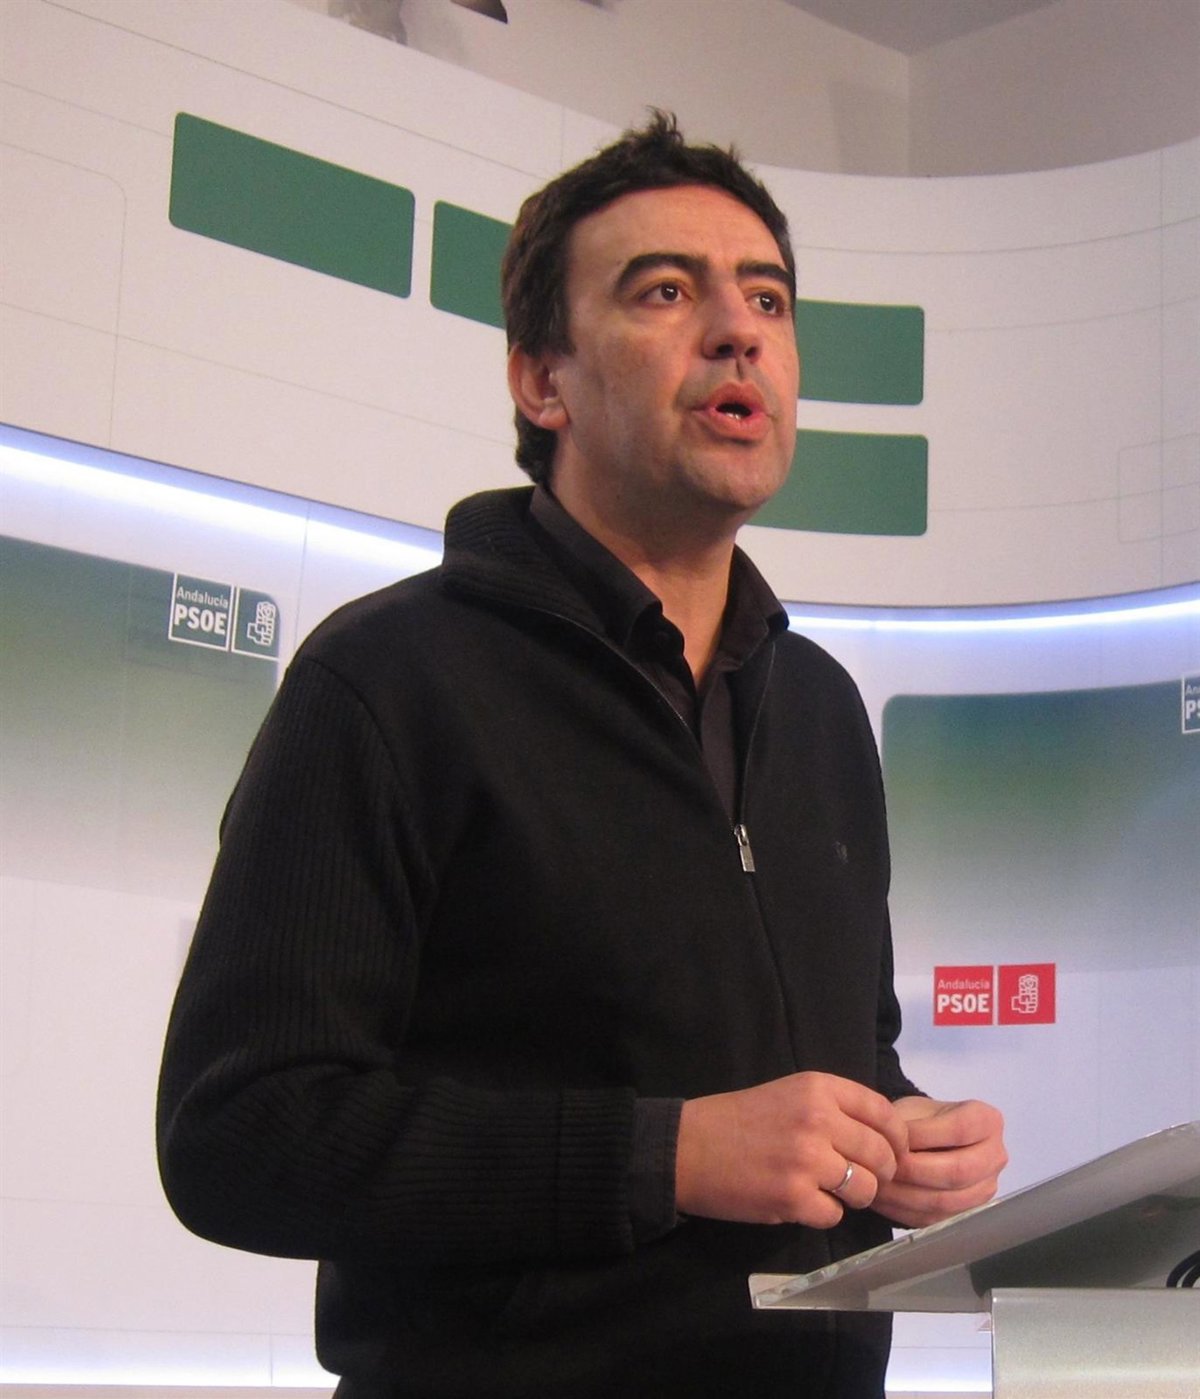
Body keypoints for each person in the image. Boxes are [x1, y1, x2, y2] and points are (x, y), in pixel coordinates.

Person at [157, 112, 1006, 1398]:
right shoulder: (387, 679)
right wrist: (663, 1156)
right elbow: (238, 1131)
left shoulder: (823, 709)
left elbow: (836, 1058)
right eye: (665, 291)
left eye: (767, 300)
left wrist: (900, 1132)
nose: (738, 333)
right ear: (540, 381)